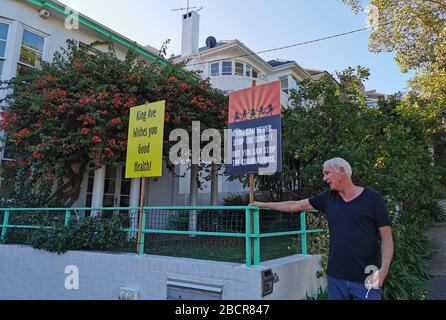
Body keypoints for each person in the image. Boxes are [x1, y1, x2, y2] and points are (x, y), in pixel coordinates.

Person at [252, 158, 394, 300]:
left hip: (367, 279)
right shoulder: (328, 198)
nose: (324, 178)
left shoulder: (372, 198)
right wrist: (262, 205)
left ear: (342, 171)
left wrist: (384, 269)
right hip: (336, 279)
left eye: (327, 173)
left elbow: (387, 238)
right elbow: (296, 205)